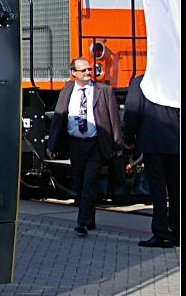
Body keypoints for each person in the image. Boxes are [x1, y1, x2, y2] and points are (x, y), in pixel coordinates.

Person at [46, 57, 123, 236]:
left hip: (96, 144)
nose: (88, 72)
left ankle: (82, 223)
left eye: (90, 69)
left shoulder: (103, 91)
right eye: (84, 70)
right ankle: (90, 219)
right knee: (80, 183)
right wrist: (52, 144)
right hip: (75, 144)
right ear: (74, 73)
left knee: (90, 182)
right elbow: (59, 117)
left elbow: (114, 119)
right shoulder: (67, 90)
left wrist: (117, 144)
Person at [123, 75, 180, 248]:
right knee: (176, 189)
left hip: (152, 143)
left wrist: (128, 139)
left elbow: (132, 111)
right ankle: (177, 232)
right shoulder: (175, 79)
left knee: (157, 191)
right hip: (175, 142)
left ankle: (162, 234)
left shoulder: (140, 82)